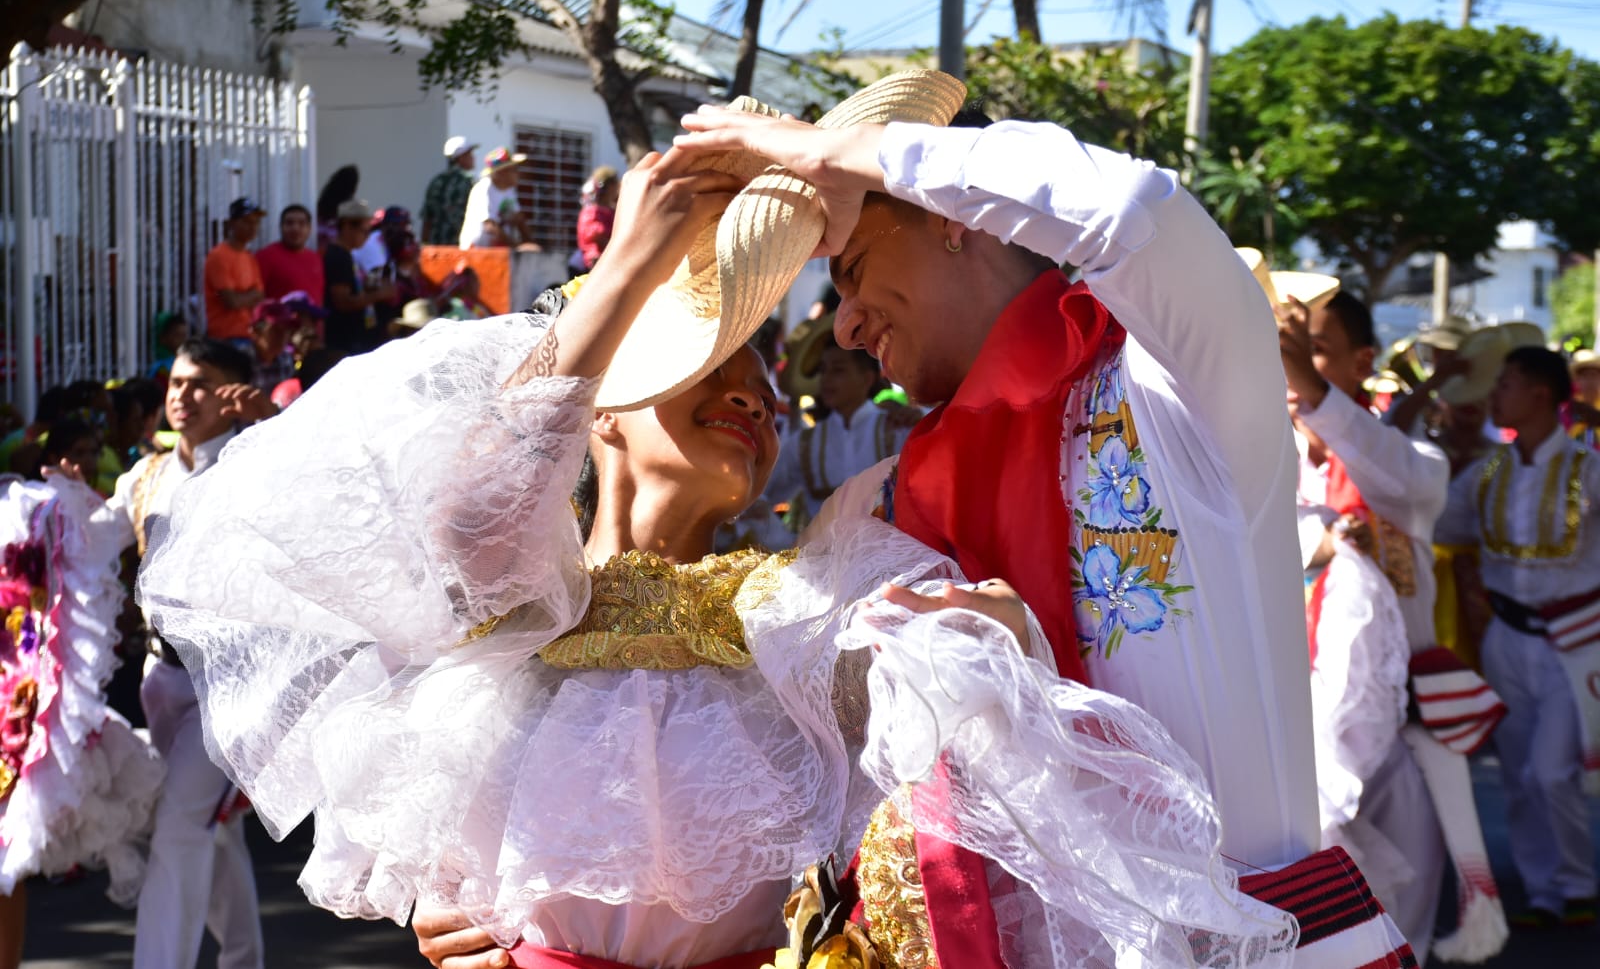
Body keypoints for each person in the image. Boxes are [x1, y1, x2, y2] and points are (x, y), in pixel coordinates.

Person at [140, 140, 1294, 969]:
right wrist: (632, 264)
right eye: (712, 364)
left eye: (766, 372)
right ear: (601, 403)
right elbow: (475, 518)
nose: (756, 392)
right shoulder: (515, 600)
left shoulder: (808, 592)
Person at [675, 89, 1414, 966]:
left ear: (954, 218)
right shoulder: (883, 501)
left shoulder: (1176, 396)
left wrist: (832, 152)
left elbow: (1135, 209)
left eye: (853, 265)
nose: (843, 322)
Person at [1280, 290, 1505, 961]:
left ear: (1361, 360)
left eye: (1312, 348)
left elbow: (1401, 479)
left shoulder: (1412, 462)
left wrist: (1312, 388)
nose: (1287, 366)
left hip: (1405, 736)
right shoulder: (1258, 465)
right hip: (1295, 740)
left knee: (1396, 925)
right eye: (1282, 351)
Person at [83, 339, 275, 969]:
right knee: (209, 831)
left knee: (178, 827)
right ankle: (243, 957)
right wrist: (47, 506)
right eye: (177, 381)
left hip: (232, 682)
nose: (182, 395)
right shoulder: (146, 475)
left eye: (201, 383)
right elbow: (91, 542)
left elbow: (324, 492)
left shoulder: (261, 459)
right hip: (160, 677)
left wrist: (272, 425)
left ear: (233, 393)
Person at [1436, 345, 1600, 930]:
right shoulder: (1486, 470)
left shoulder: (1591, 467)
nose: (1494, 392)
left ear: (1539, 395)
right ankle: (1541, 890)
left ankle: (1577, 880)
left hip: (1575, 640)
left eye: (1506, 382)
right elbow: (1437, 524)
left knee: (1551, 771)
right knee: (1516, 769)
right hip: (1506, 636)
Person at [0, 466, 165, 969]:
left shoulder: (22, 511)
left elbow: (93, 541)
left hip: (11, 702)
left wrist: (74, 501)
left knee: (4, 866)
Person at [764, 341, 911, 536]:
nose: (826, 379)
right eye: (823, 370)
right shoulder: (805, 442)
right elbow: (762, 495)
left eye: (838, 370)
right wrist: (784, 540)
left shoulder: (897, 428)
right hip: (824, 559)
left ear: (867, 378)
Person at [323, 200, 398, 355]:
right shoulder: (338, 256)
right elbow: (342, 302)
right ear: (346, 226)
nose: (366, 237)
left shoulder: (347, 254)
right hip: (344, 340)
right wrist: (381, 293)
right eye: (364, 231)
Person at [202, 198, 266, 344]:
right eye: (246, 221)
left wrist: (244, 297)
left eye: (256, 222)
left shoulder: (249, 257)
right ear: (231, 223)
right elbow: (231, 301)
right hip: (225, 337)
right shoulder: (219, 255)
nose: (253, 227)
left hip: (249, 334)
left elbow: (260, 296)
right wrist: (250, 295)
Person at [460, 147, 530, 249]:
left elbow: (519, 219)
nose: (518, 174)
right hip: (477, 250)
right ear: (501, 172)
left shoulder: (509, 190)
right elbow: (490, 227)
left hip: (497, 249)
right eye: (514, 170)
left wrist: (530, 245)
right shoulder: (484, 188)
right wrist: (516, 248)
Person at [254, 204, 323, 306]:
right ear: (281, 227)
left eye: (301, 224)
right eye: (289, 223)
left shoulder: (316, 258)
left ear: (309, 229)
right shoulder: (265, 257)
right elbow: (256, 299)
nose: (295, 228)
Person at [423, 137, 477, 245]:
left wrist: (424, 245)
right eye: (470, 154)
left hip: (436, 248)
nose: (473, 158)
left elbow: (427, 219)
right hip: (460, 247)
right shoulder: (470, 181)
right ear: (460, 158)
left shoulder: (436, 181)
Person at [575, 166, 619, 271]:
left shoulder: (612, 210)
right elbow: (594, 235)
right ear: (608, 186)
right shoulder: (592, 211)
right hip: (594, 261)